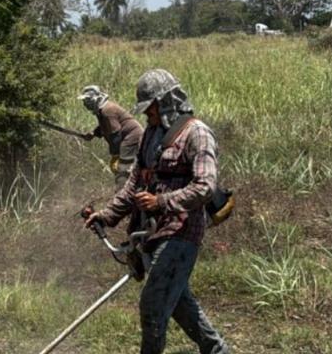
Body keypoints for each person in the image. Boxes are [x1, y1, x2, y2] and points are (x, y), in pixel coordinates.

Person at [85, 70, 230, 354]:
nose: (146, 115)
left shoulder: (196, 133)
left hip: (182, 233)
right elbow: (133, 184)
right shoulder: (149, 134)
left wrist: (161, 202)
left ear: (165, 102)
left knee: (153, 306)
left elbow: (204, 186)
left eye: (149, 108)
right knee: (177, 301)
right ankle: (216, 350)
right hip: (152, 233)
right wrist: (107, 214)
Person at [78, 85, 143, 189]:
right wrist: (94, 133)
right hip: (128, 138)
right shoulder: (102, 110)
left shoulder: (107, 110)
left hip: (132, 137)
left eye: (86, 100)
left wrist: (115, 155)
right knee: (121, 167)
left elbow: (115, 134)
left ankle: (126, 190)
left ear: (94, 99)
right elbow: (105, 126)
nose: (85, 104)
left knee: (122, 167)